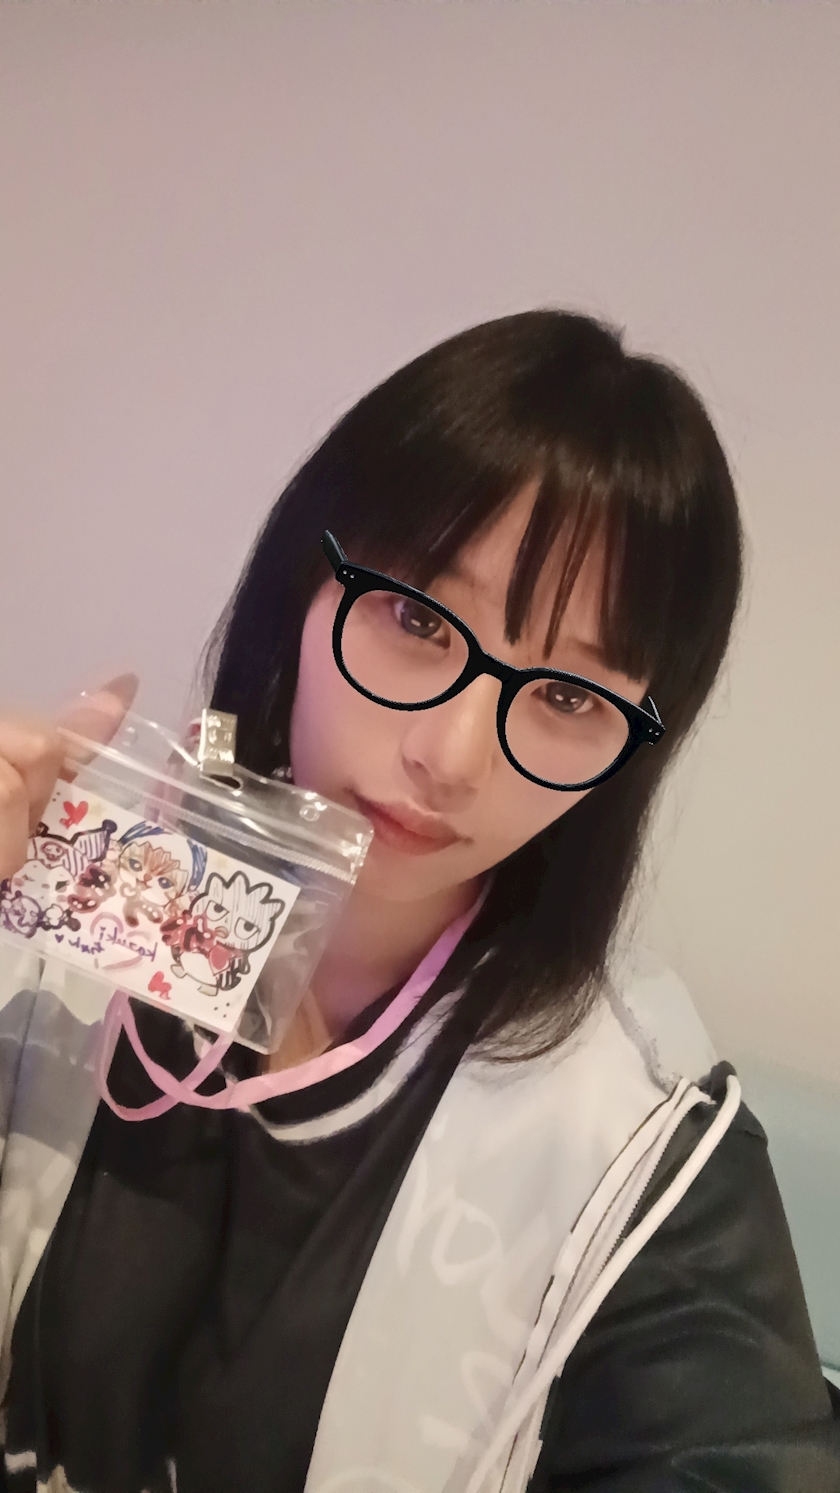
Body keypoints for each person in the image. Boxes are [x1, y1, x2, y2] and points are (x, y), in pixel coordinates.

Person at [0, 309, 837, 1493]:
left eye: (568, 697)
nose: (450, 755)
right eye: (418, 619)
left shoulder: (632, 1144)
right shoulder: (58, 900)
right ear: (306, 581)